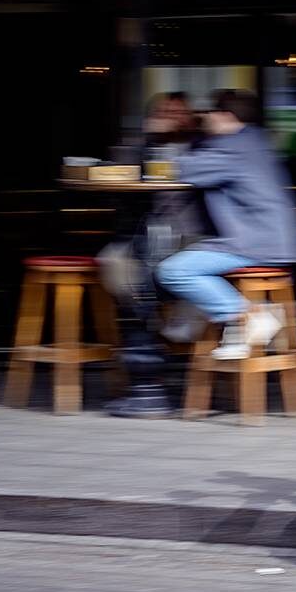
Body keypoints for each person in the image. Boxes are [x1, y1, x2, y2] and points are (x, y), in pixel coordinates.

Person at [156, 89, 296, 361]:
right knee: (191, 256)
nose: (207, 120)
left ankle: (247, 317)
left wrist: (161, 135)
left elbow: (183, 169)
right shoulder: (255, 140)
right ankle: (244, 323)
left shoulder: (231, 147)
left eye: (211, 114)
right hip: (273, 241)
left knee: (173, 270)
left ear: (225, 116)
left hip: (255, 243)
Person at [99, 92, 208, 418]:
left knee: (191, 270)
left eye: (179, 112)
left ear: (190, 117)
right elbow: (118, 172)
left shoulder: (204, 147)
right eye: (165, 111)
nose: (173, 117)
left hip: (191, 236)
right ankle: (146, 334)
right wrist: (148, 137)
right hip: (142, 236)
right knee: (113, 263)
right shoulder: (140, 145)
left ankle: (166, 335)